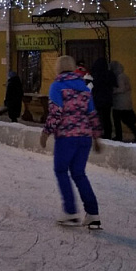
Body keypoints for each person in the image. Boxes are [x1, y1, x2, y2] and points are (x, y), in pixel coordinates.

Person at [39, 55, 102, 229]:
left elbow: (55, 113)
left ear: (58, 68)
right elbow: (92, 114)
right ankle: (93, 213)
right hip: (84, 138)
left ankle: (70, 212)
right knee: (79, 173)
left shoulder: (57, 86)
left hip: (67, 137)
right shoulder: (84, 87)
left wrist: (46, 133)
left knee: (61, 170)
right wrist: (96, 137)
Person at [110, 60, 136, 143]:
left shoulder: (120, 77)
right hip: (125, 102)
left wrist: (112, 90)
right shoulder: (124, 76)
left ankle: (119, 136)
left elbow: (122, 88)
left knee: (118, 120)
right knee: (126, 120)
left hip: (120, 103)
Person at [89, 57, 115, 139]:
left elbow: (93, 86)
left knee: (99, 117)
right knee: (107, 117)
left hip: (98, 99)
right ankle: (108, 133)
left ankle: (99, 132)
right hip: (108, 99)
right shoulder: (110, 74)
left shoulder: (95, 74)